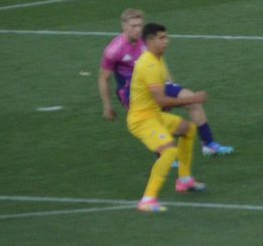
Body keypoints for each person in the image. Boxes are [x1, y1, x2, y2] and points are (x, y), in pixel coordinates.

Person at [99, 8, 233, 156]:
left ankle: (209, 145)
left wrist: (171, 84)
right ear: (124, 26)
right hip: (132, 92)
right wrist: (107, 106)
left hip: (155, 84)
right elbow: (104, 78)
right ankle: (164, 155)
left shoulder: (147, 41)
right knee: (153, 120)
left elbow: (159, 61)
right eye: (133, 26)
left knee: (192, 101)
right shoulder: (114, 50)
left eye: (140, 25)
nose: (138, 29)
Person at [127, 22, 208, 212]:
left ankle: (185, 180)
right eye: (161, 38)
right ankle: (147, 200)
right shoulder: (148, 65)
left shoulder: (158, 59)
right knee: (169, 152)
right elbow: (162, 100)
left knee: (188, 129)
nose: (166, 41)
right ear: (150, 41)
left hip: (153, 115)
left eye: (166, 37)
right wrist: (194, 98)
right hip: (142, 120)